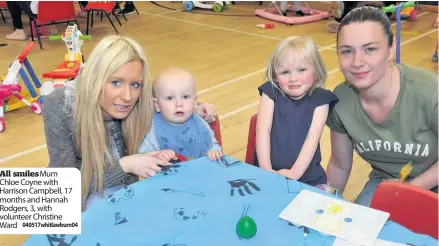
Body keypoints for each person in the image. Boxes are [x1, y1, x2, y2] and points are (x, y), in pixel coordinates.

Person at [42, 35, 217, 211]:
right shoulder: (60, 106)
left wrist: (196, 107)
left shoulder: (141, 98)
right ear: (96, 78)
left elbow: (168, 97)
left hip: (126, 196)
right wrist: (126, 165)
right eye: (116, 82)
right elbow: (64, 190)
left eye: (135, 84)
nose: (127, 97)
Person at [326, 6, 438, 207]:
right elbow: (339, 165)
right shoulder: (341, 99)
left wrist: (414, 187)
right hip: (385, 182)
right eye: (347, 51)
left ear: (391, 48)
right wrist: (325, 202)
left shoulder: (430, 92)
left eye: (370, 49)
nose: (357, 62)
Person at [254, 36, 339, 186]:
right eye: (285, 72)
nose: (293, 78)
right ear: (275, 75)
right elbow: (262, 130)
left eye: (301, 70)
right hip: (265, 173)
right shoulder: (271, 92)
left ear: (316, 70)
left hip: (308, 178)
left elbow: (311, 139)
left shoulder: (321, 99)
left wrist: (294, 173)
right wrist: (265, 169)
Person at [138, 67, 223, 161]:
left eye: (185, 97)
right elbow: (143, 157)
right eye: (170, 98)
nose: (179, 104)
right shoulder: (152, 129)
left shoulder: (199, 123)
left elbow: (213, 144)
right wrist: (158, 156)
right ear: (157, 105)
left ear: (195, 102)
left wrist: (214, 151)